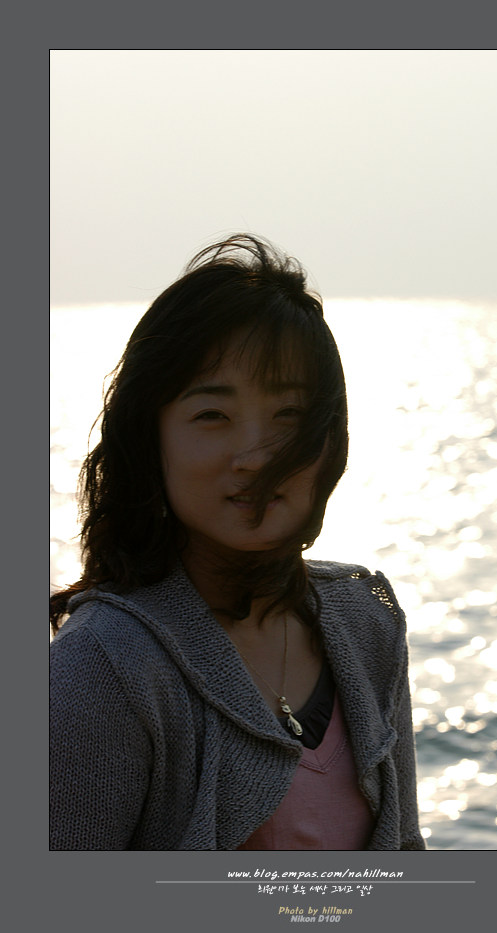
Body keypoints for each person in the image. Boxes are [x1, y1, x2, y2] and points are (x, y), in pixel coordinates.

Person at [49, 234, 426, 851]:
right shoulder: (104, 665)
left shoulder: (366, 619)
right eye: (211, 416)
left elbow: (406, 851)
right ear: (150, 442)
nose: (254, 456)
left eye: (290, 415)